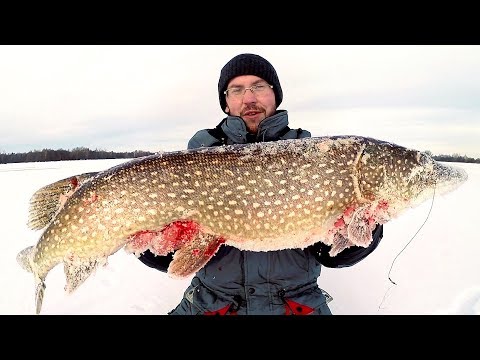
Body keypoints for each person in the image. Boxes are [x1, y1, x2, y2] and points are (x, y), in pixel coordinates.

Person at [138, 53, 384, 315]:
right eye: (237, 89)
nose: (249, 98)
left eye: (258, 86)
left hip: (296, 305)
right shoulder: (192, 162)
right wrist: (151, 244)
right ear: (226, 103)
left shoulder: (317, 159)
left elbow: (334, 256)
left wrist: (366, 226)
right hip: (211, 305)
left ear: (275, 94)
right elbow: (173, 261)